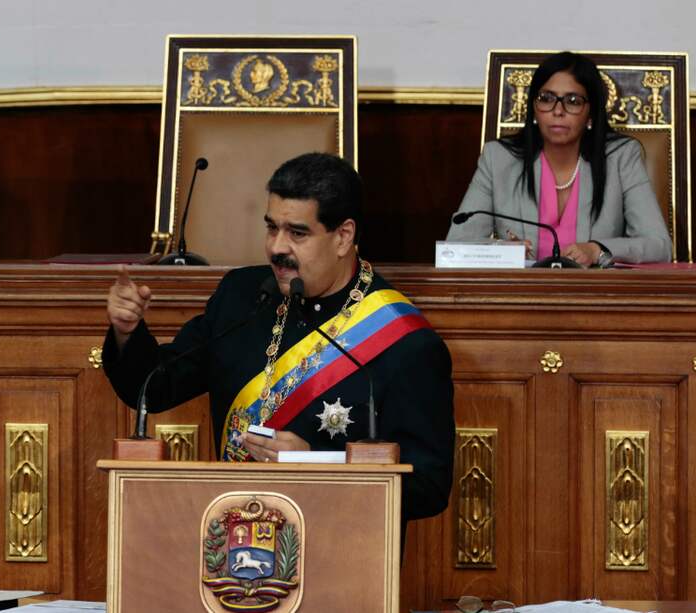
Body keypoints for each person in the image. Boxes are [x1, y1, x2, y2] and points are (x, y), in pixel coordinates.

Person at [103, 152, 454, 523]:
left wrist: (315, 464)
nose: (276, 248)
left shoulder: (403, 341)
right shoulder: (242, 297)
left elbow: (429, 486)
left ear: (343, 237)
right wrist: (127, 332)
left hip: (343, 557)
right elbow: (154, 388)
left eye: (297, 233)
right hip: (230, 553)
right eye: (272, 228)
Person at [447, 51, 672, 266]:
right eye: (546, 98)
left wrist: (597, 250)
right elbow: (456, 246)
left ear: (591, 113)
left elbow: (659, 246)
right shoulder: (498, 158)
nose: (558, 110)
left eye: (573, 101)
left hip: (596, 297)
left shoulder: (620, 158)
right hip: (520, 296)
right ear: (534, 108)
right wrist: (500, 250)